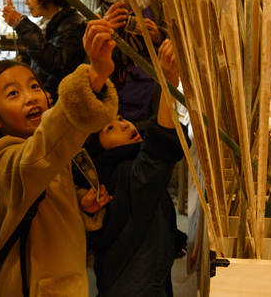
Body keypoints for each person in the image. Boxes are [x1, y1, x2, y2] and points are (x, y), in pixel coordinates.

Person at [0, 18, 118, 296]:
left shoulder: (39, 145)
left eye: (34, 86)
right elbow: (37, 158)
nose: (30, 97)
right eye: (13, 93)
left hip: (60, 277)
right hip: (33, 286)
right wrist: (94, 75)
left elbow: (42, 192)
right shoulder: (0, 158)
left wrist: (78, 201)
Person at [76, 39, 187, 297]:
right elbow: (157, 155)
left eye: (121, 119)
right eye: (110, 129)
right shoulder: (123, 174)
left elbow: (145, 211)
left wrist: (171, 235)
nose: (125, 125)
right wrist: (167, 81)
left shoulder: (119, 169)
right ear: (97, 150)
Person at [86, 0, 169, 127]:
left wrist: (158, 36)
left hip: (157, 95)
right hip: (117, 103)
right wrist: (104, 33)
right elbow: (91, 66)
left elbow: (176, 42)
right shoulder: (95, 19)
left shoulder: (153, 4)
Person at [2, 0, 87, 101]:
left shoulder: (71, 23)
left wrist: (21, 24)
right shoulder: (52, 21)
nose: (26, 1)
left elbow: (59, 64)